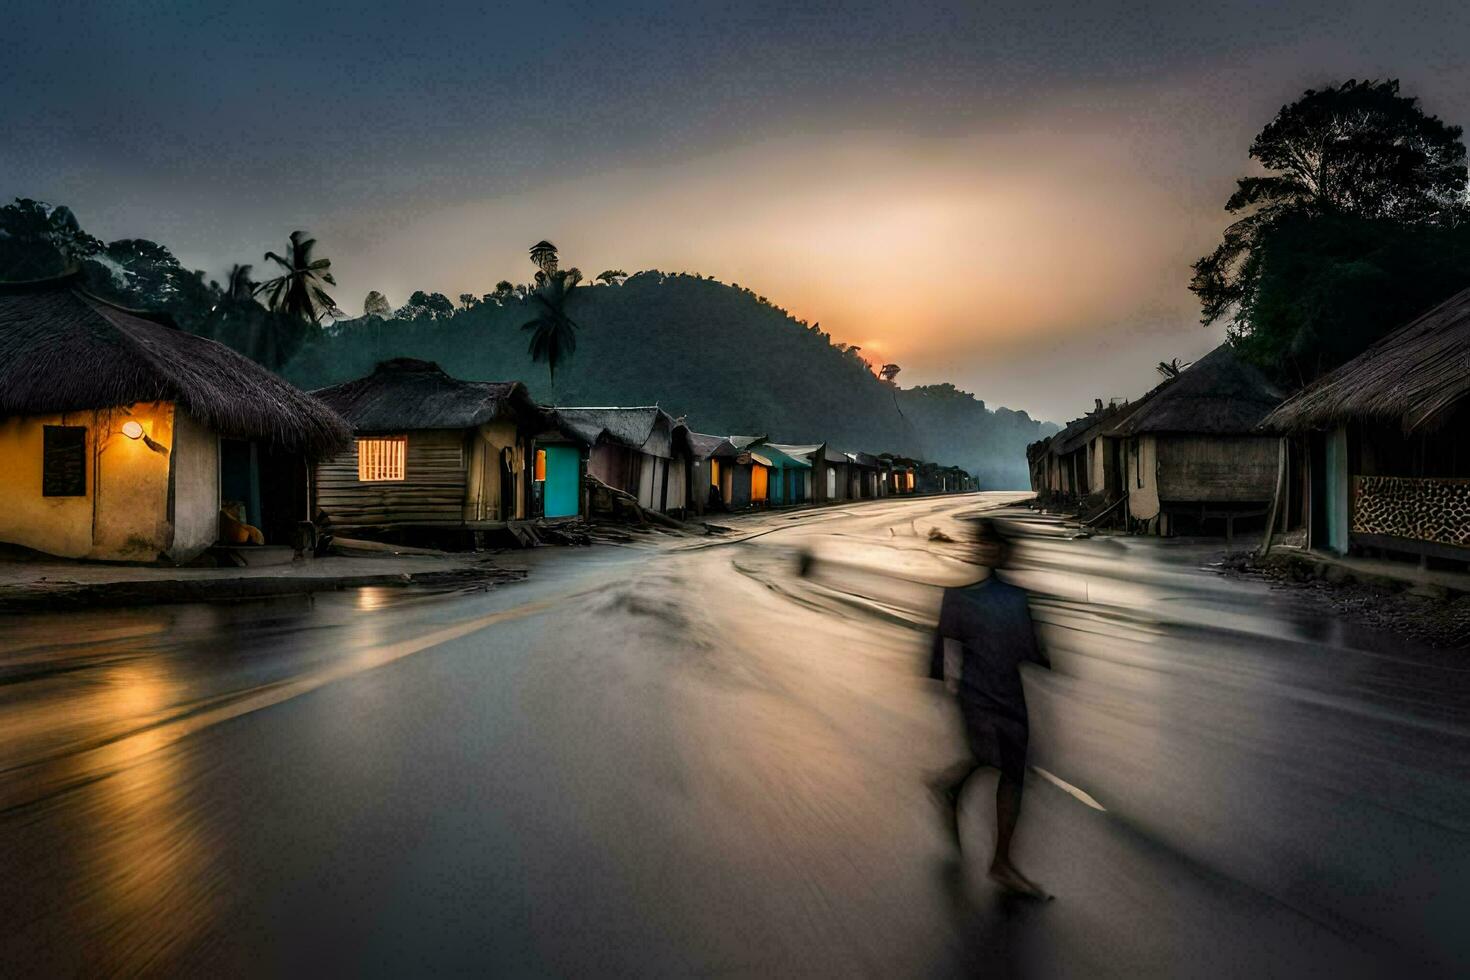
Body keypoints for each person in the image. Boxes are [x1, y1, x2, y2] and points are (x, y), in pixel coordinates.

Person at [929, 517, 1051, 899]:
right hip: (978, 697)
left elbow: (1030, 646)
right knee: (992, 760)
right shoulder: (964, 599)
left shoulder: (1015, 599)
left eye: (1003, 546)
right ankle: (996, 854)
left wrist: (1043, 657)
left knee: (1005, 768)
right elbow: (940, 642)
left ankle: (1000, 859)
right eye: (991, 546)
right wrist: (942, 682)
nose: (1001, 552)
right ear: (983, 552)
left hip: (1009, 695)